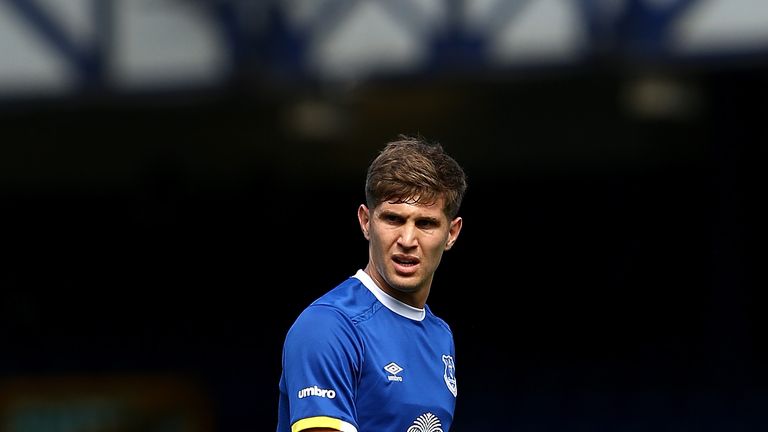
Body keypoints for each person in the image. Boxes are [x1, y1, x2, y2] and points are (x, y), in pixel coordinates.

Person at [276, 135, 468, 432]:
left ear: (452, 233)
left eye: (425, 223)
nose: (407, 240)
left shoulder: (441, 336)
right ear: (366, 222)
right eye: (393, 219)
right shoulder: (329, 326)